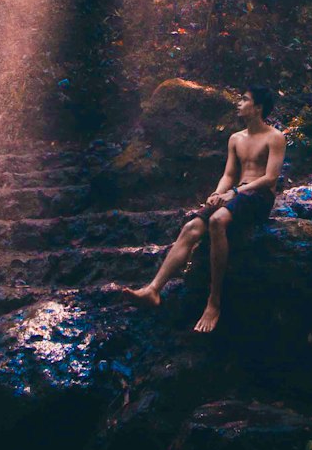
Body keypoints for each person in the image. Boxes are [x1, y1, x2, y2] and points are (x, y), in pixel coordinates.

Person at [122, 85, 286, 333]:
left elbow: (271, 178)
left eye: (244, 99)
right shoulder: (236, 138)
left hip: (258, 196)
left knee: (217, 221)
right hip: (235, 194)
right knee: (191, 227)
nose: (238, 103)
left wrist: (235, 193)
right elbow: (229, 174)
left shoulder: (275, 137)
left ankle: (214, 301)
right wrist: (217, 193)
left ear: (258, 107)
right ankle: (153, 290)